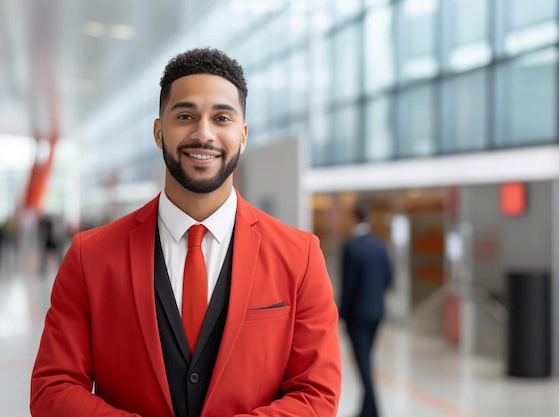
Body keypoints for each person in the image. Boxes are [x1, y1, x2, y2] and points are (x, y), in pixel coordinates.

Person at [30, 48, 341, 417]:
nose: (203, 133)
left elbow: (317, 395)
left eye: (221, 118)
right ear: (159, 132)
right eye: (185, 115)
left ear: (242, 136)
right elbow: (52, 390)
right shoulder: (90, 256)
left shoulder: (300, 256)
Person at [339, 203, 392, 417]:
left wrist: (341, 314)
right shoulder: (380, 246)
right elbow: (389, 278)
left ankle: (373, 411)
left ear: (354, 218)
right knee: (366, 360)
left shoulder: (351, 247)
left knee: (362, 363)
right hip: (377, 313)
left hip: (357, 316)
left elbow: (348, 285)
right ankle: (366, 409)